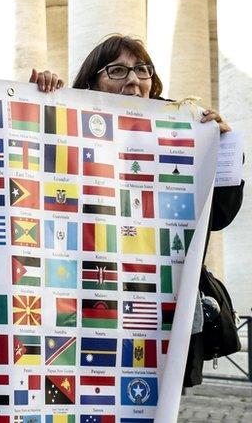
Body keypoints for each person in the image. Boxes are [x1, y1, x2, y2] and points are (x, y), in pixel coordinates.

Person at [72, 34, 243, 388]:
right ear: (92, 81)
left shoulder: (182, 131)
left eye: (141, 70)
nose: (133, 80)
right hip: (91, 298)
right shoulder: (69, 130)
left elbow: (219, 215)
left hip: (163, 303)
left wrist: (223, 149)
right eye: (117, 70)